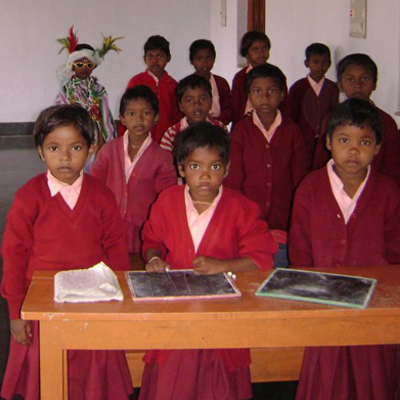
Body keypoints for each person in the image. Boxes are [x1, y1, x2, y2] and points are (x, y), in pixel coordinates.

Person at [0, 105, 133, 400]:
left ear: (91, 148)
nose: (64, 157)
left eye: (75, 147)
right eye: (54, 147)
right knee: (48, 379)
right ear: (40, 151)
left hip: (93, 302)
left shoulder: (102, 196)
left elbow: (116, 249)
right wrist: (15, 312)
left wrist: (121, 298)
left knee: (93, 378)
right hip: (42, 305)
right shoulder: (28, 197)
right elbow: (14, 256)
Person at [139, 122, 277, 400]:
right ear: (180, 169)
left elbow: (261, 259)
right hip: (177, 313)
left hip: (222, 315)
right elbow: (151, 242)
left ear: (226, 169)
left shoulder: (242, 208)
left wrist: (221, 266)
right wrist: (154, 260)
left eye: (214, 167)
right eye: (194, 167)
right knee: (172, 382)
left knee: (220, 387)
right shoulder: (167, 201)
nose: (204, 176)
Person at [289, 98, 400, 400]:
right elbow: (300, 251)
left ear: (378, 147)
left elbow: (395, 254)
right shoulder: (310, 187)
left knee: (373, 379)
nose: (353, 150)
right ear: (328, 142)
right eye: (344, 140)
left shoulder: (389, 192)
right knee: (325, 379)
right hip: (323, 305)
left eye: (365, 141)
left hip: (374, 308)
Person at [225, 64, 309, 267]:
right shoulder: (240, 131)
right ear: (249, 96)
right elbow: (234, 180)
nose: (264, 98)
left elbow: (299, 179)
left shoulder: (292, 131)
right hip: (248, 220)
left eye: (271, 91)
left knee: (280, 268)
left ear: (282, 94)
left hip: (284, 220)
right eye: (257, 91)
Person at [90, 85, 177, 264]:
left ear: (156, 118)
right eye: (131, 114)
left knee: (137, 268)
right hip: (109, 228)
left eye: (146, 113)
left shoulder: (162, 158)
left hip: (143, 231)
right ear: (121, 118)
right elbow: (94, 188)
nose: (138, 119)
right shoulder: (108, 151)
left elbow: (167, 199)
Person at [313, 53, 400, 186]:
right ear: (340, 85)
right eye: (350, 79)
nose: (358, 85)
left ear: (374, 84)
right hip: (335, 191)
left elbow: (393, 170)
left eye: (365, 79)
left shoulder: (386, 123)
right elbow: (320, 162)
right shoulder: (331, 119)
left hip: (375, 193)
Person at [55, 26, 120, 157]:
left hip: (96, 141)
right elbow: (59, 116)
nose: (85, 68)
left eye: (89, 65)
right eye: (80, 64)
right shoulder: (66, 90)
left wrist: (110, 143)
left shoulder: (98, 90)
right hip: (73, 139)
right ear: (72, 65)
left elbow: (106, 117)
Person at [118, 35, 181, 143]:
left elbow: (177, 117)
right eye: (150, 56)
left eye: (159, 56)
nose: (155, 61)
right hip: (138, 138)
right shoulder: (136, 81)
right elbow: (127, 110)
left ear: (169, 57)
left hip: (166, 140)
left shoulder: (173, 85)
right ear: (144, 58)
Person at [289, 42, 339, 161]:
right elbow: (293, 114)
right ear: (307, 63)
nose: (320, 67)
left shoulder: (332, 88)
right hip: (303, 138)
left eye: (325, 63)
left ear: (330, 64)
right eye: (315, 62)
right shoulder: (298, 87)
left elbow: (334, 113)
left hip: (324, 138)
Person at [231, 31, 290, 126]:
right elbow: (236, 106)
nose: (261, 52)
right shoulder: (240, 77)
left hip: (272, 121)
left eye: (264, 48)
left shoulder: (276, 74)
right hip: (245, 123)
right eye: (255, 49)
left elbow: (285, 103)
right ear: (247, 53)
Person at [160, 74, 227, 153]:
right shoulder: (171, 134)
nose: (197, 105)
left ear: (211, 102)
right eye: (189, 101)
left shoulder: (220, 128)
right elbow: (164, 163)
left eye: (203, 99)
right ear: (180, 106)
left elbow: (227, 158)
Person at [189, 39, 233, 125]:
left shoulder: (221, 83)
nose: (204, 62)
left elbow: (228, 110)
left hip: (218, 127)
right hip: (193, 128)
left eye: (208, 58)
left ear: (214, 59)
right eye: (199, 58)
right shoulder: (187, 84)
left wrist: (214, 123)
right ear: (192, 61)